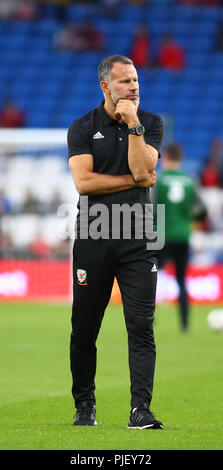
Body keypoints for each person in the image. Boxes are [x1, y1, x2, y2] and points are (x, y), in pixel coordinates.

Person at [67, 55, 164, 429]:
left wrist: (134, 123)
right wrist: (134, 182)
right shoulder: (82, 127)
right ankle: (85, 406)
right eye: (124, 82)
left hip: (139, 238)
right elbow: (85, 183)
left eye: (136, 79)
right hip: (94, 237)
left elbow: (145, 169)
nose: (134, 87)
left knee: (141, 325)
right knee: (85, 328)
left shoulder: (151, 122)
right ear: (105, 86)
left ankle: (140, 409)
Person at [154, 143, 198, 331]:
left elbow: (153, 208)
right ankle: (185, 323)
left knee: (151, 277)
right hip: (183, 236)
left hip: (162, 235)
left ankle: (149, 318)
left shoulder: (159, 181)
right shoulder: (189, 181)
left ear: (166, 157)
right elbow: (198, 210)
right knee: (181, 279)